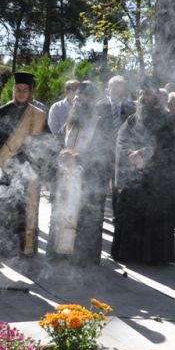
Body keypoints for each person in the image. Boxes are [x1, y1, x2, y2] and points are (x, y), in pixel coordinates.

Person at [112, 83, 175, 264]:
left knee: (153, 217)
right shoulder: (132, 119)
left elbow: (169, 146)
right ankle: (129, 254)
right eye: (142, 93)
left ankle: (153, 257)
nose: (145, 97)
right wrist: (132, 155)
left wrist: (144, 154)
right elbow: (121, 140)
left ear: (156, 97)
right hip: (134, 176)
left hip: (156, 180)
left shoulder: (166, 120)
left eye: (149, 94)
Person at [47, 82, 112, 266]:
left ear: (91, 101)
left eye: (82, 101)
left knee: (84, 218)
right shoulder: (69, 121)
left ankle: (80, 259)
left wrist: (79, 158)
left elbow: (104, 153)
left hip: (87, 181)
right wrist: (59, 153)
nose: (78, 103)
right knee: (61, 215)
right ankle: (60, 256)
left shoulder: (101, 123)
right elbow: (57, 143)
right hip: (65, 178)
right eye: (76, 100)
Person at [0, 71, 50, 256]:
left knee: (26, 210)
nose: (22, 93)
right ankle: (4, 247)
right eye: (18, 89)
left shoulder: (39, 115)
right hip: (6, 168)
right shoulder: (1, 112)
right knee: (5, 208)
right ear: (13, 90)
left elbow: (47, 142)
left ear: (31, 91)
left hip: (29, 168)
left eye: (25, 90)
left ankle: (25, 248)